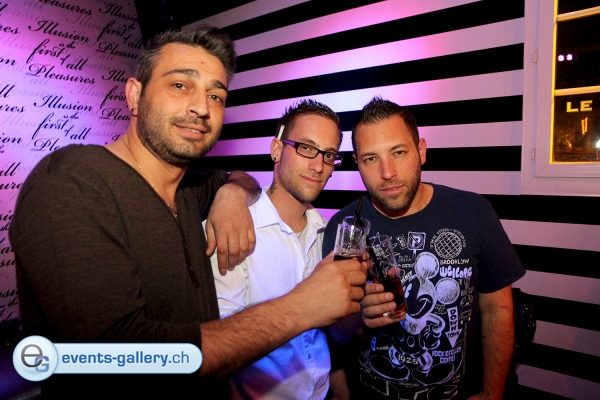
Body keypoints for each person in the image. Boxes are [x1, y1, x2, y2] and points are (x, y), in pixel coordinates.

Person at [9, 27, 367, 398]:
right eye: (180, 85)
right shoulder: (72, 181)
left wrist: (231, 195)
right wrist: (302, 307)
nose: (201, 107)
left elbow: (242, 179)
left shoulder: (191, 191)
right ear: (135, 95)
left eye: (216, 95)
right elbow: (111, 362)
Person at [323, 97, 526, 400]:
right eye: (371, 158)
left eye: (399, 152)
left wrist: (492, 393)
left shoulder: (474, 212)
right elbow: (335, 334)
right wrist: (360, 319)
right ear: (357, 163)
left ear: (421, 151)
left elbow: (498, 309)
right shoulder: (345, 228)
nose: (387, 172)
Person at [209, 99, 344, 399]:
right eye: (306, 148)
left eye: (329, 155)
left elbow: (328, 336)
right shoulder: (235, 227)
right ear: (276, 149)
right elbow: (219, 346)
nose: (318, 166)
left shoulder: (328, 233)